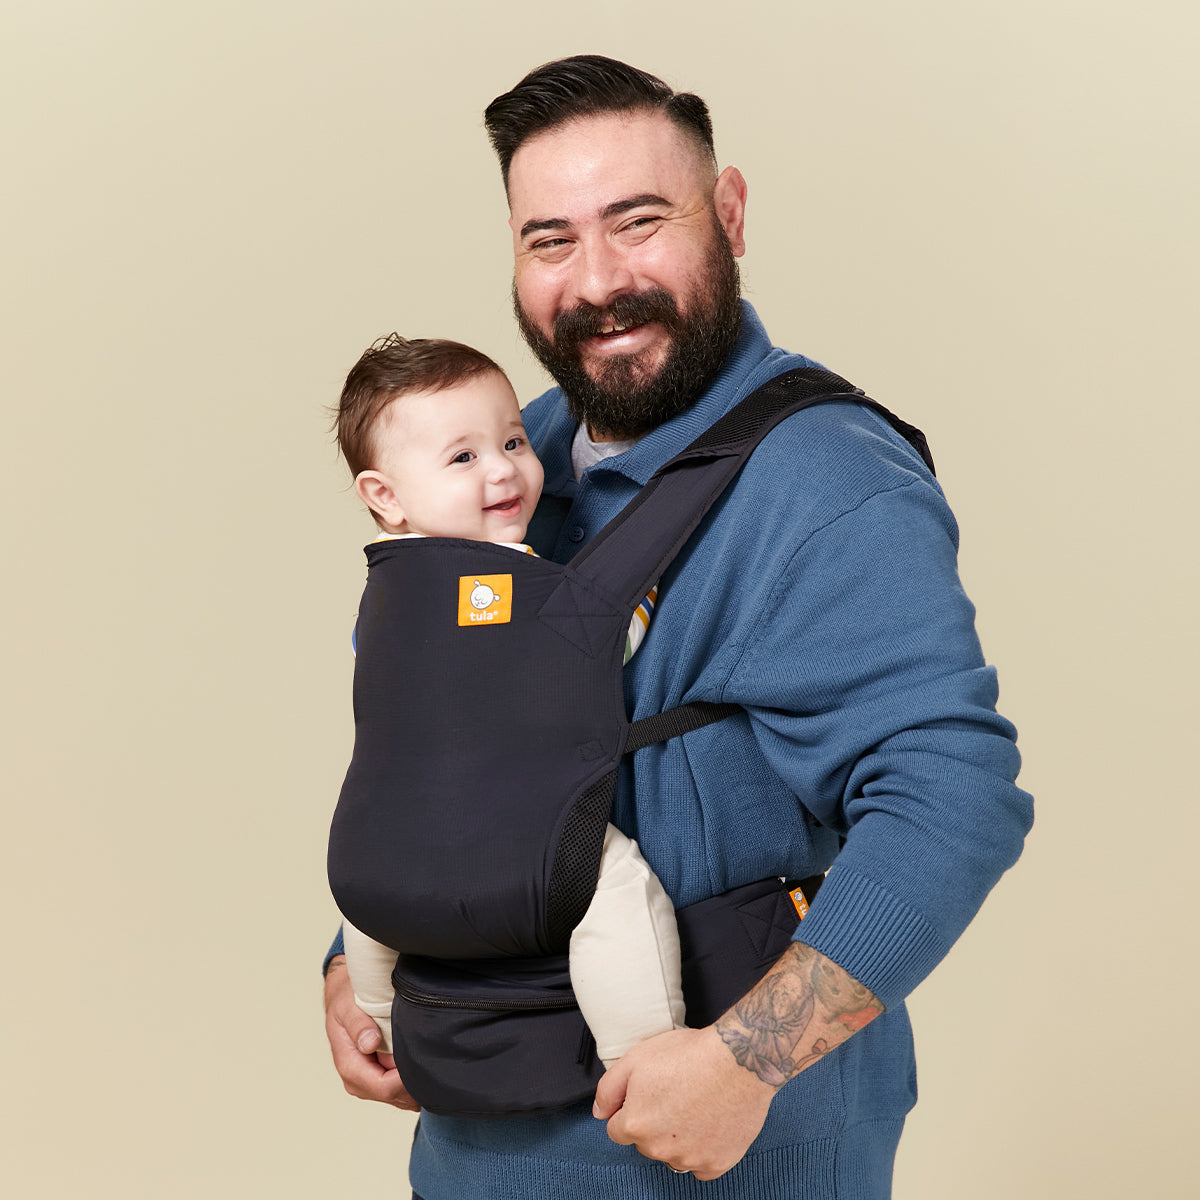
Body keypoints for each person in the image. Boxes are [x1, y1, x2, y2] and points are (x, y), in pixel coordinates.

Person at [323, 56, 1034, 1198]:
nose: (600, 281)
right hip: (479, 1118)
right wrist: (360, 955)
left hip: (725, 1141)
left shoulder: (827, 485)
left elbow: (950, 796)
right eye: (551, 239)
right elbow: (440, 741)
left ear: (732, 214)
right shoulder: (511, 461)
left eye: (640, 222)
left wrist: (747, 1064)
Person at [329, 332, 685, 1072]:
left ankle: (383, 1025)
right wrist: (640, 586)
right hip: (513, 843)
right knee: (611, 885)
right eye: (464, 457)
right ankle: (641, 1055)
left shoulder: (381, 599)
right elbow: (602, 644)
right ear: (383, 497)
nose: (504, 469)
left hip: (377, 852)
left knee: (375, 904)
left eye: (515, 440)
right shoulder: (513, 579)